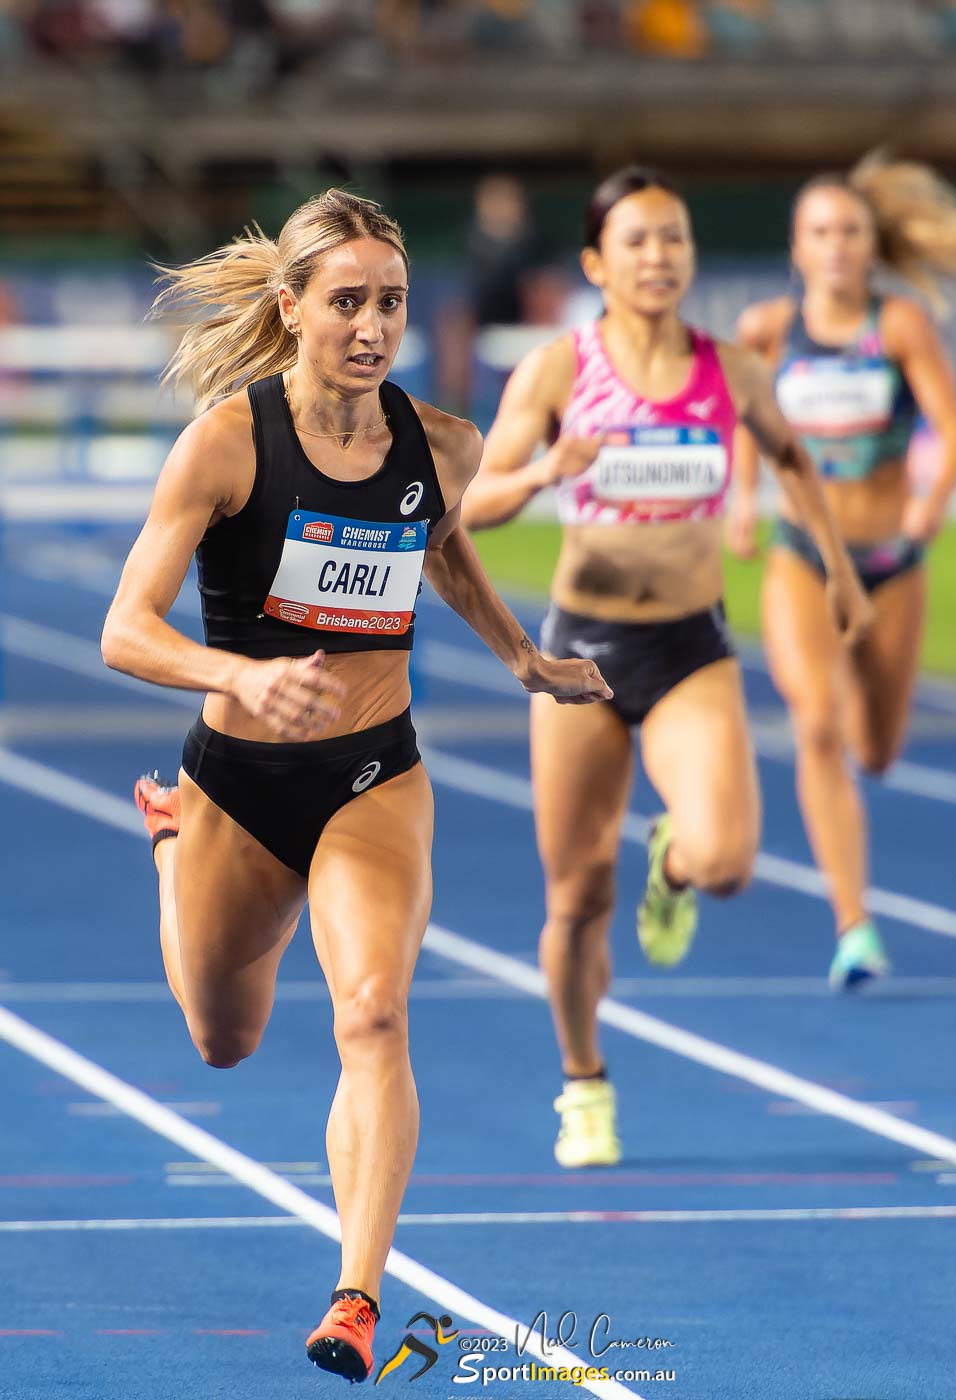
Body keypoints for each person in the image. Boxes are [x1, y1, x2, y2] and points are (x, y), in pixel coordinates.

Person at [100, 188, 609, 1383]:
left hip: (374, 773)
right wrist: (239, 675)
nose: (373, 324)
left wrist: (522, 654)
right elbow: (125, 626)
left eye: (389, 300)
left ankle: (357, 1295)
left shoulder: (441, 442)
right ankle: (171, 849)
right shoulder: (228, 440)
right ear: (291, 309)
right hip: (236, 778)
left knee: (372, 1009)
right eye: (346, 302)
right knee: (223, 1038)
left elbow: (436, 542)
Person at [461, 167, 871, 1169]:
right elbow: (467, 506)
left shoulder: (730, 369)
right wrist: (545, 471)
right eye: (636, 241)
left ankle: (674, 862)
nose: (658, 257)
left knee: (728, 859)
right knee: (574, 899)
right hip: (582, 651)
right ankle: (584, 1083)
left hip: (689, 643)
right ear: (598, 263)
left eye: (674, 239)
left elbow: (794, 457)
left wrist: (839, 565)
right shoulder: (560, 370)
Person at [728, 153, 956, 989]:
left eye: (850, 231)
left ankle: (857, 722)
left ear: (871, 245)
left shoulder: (902, 327)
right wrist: (741, 498)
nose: (837, 247)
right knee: (816, 723)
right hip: (806, 557)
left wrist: (933, 502)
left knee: (877, 749)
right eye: (820, 232)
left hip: (891, 561)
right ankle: (855, 927)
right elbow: (746, 416)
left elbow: (955, 431)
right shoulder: (769, 329)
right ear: (797, 248)